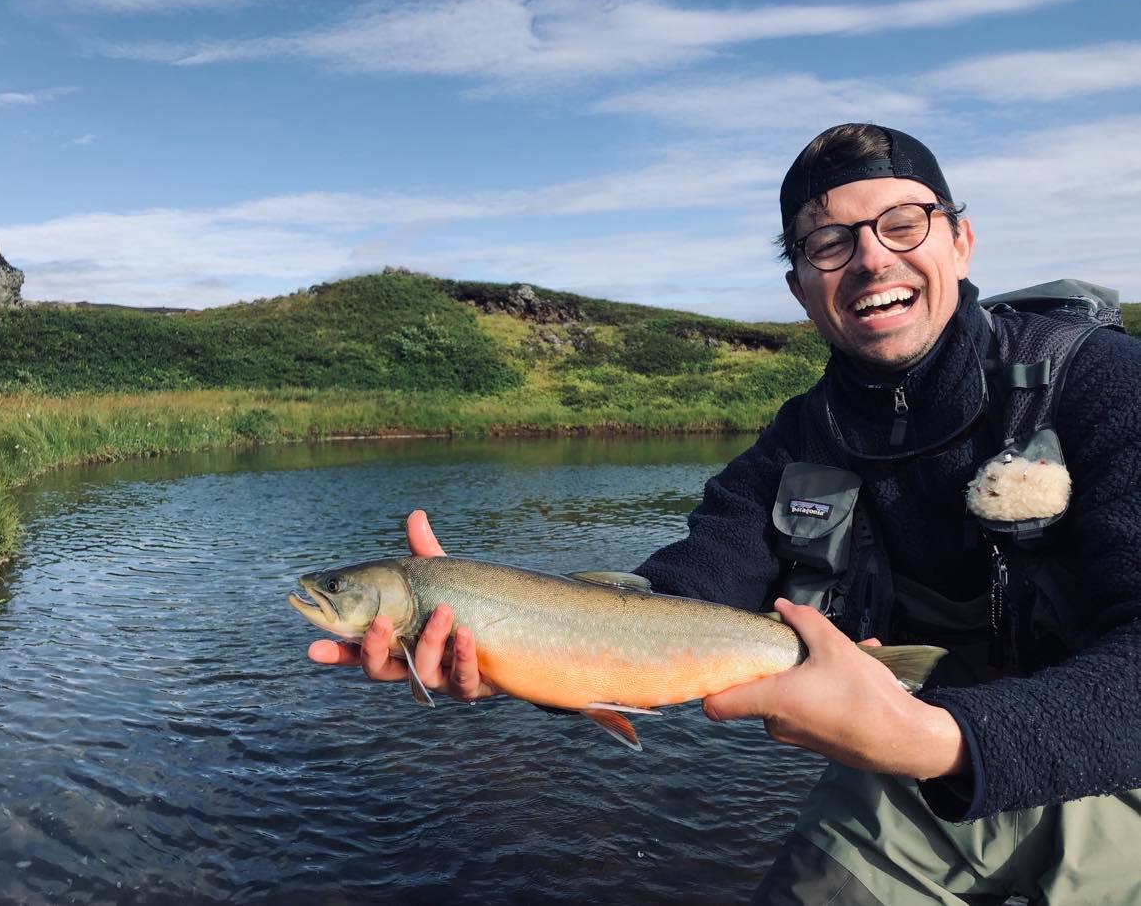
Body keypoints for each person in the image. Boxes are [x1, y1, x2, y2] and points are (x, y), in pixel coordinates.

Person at [307, 124, 1141, 904]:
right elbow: (688, 583)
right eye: (829, 242)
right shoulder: (797, 442)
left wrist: (933, 739)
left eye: (902, 223)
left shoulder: (1102, 383)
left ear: (960, 238)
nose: (870, 260)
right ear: (799, 284)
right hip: (908, 767)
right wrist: (526, 640)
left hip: (1113, 765)